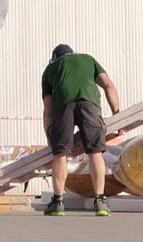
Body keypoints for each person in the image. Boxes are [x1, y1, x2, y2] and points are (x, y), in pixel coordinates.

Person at [41, 43, 121, 217]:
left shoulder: (50, 69)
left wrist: (50, 138)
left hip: (63, 106)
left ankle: (57, 202)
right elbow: (109, 85)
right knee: (95, 153)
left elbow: (47, 110)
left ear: (54, 58)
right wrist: (117, 115)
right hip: (89, 103)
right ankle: (100, 201)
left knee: (61, 155)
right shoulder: (88, 59)